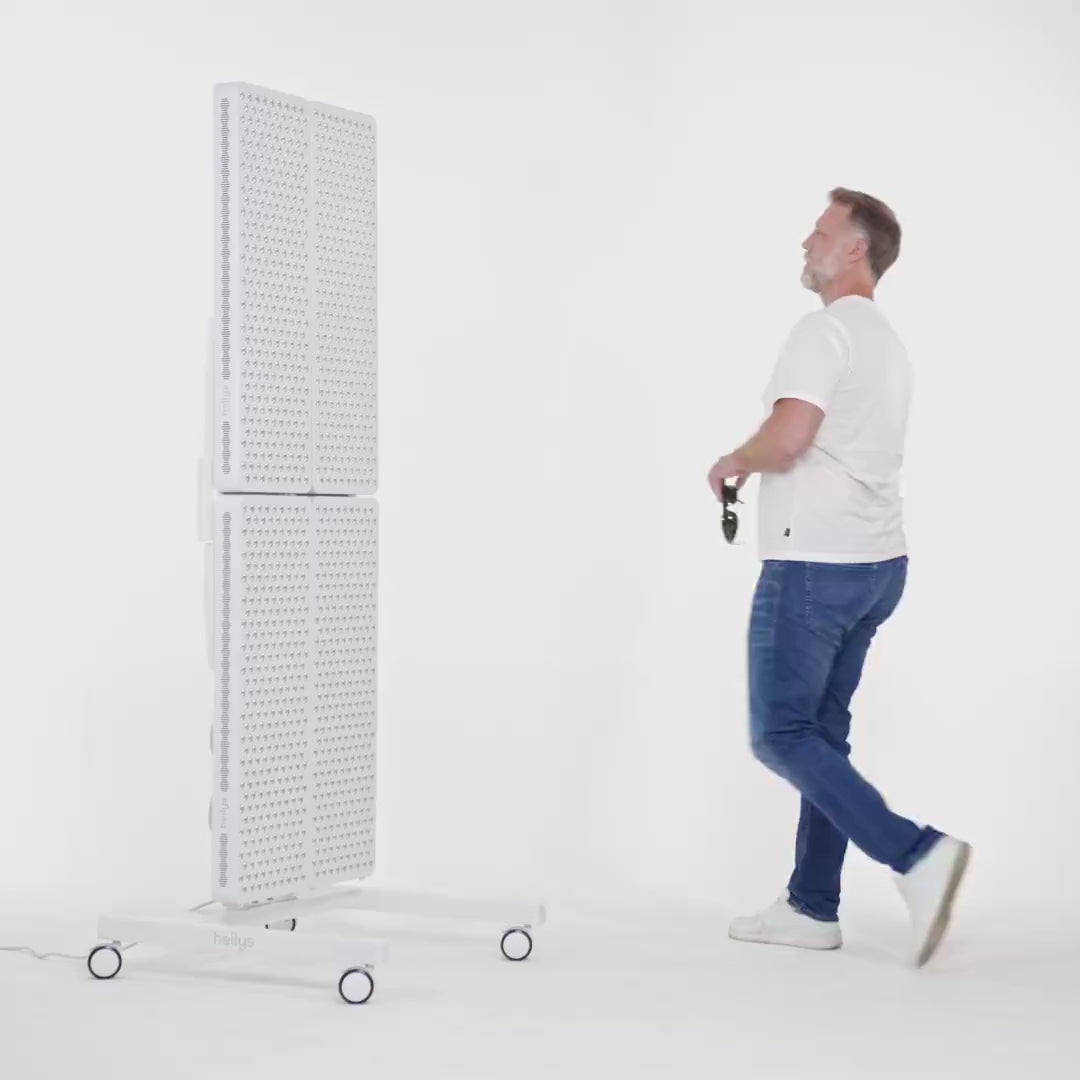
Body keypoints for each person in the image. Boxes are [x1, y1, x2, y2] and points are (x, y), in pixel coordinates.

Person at [705, 188, 971, 967]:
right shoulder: (886, 342)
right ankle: (811, 906)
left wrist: (733, 461)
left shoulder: (822, 332)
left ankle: (918, 854)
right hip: (876, 565)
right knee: (822, 737)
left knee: (782, 734)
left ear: (856, 249)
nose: (805, 243)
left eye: (820, 233)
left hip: (815, 566)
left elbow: (791, 435)